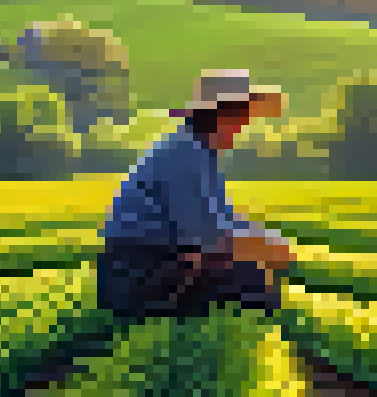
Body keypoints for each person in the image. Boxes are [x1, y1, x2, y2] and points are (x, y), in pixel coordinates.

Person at [96, 70, 295, 320]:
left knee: (250, 269)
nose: (244, 126)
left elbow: (224, 218)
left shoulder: (199, 152)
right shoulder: (184, 154)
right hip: (136, 276)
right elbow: (209, 235)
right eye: (242, 116)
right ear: (219, 117)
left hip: (152, 266)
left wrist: (265, 238)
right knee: (251, 279)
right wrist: (266, 246)